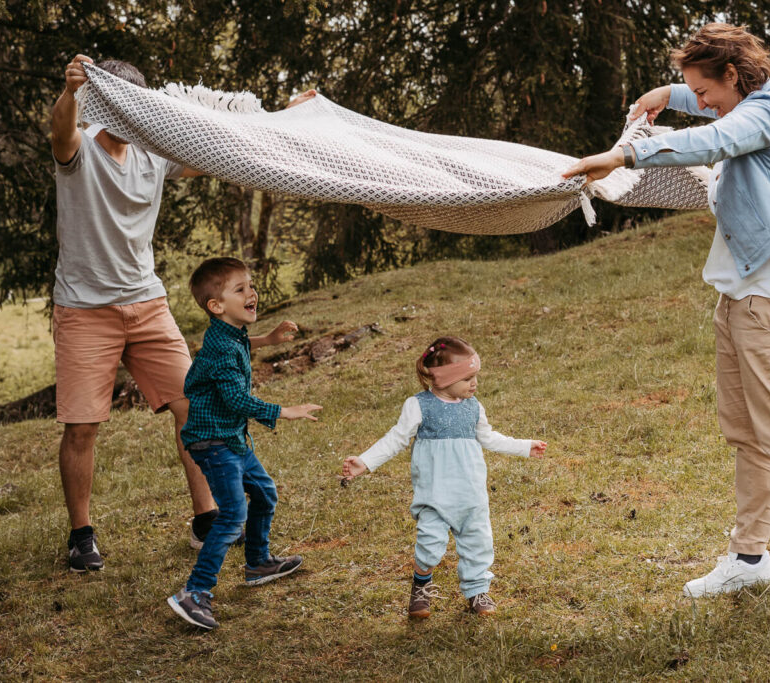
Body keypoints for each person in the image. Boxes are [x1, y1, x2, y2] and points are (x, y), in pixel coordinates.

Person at [563, 23, 770, 610]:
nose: (698, 103)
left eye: (703, 92)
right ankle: (750, 558)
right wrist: (663, 95)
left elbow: (714, 140)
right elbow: (711, 111)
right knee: (749, 433)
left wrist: (624, 154)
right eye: (692, 94)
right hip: (743, 295)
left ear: (733, 75)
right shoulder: (742, 101)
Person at [51, 55, 315, 572]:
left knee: (195, 410)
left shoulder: (155, 152)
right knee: (82, 427)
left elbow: (222, 146)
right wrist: (69, 92)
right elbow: (61, 130)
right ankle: (81, 535)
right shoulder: (79, 148)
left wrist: (282, 116)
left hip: (148, 304)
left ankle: (207, 518)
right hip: (85, 310)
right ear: (101, 104)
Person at [342, 336, 547, 618]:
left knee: (478, 543)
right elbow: (397, 439)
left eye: (475, 377)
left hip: (471, 493)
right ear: (441, 379)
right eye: (467, 378)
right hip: (434, 494)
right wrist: (364, 462)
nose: (474, 384)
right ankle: (421, 587)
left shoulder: (473, 407)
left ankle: (477, 591)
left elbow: (489, 438)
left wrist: (524, 447)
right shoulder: (419, 406)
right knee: (429, 545)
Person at [167, 257, 322, 630]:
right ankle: (195, 592)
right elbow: (237, 401)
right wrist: (284, 411)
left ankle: (257, 562)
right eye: (241, 289)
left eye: (250, 286)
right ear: (216, 306)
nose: (251, 293)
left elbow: (239, 343)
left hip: (231, 438)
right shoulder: (220, 349)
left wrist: (267, 340)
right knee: (234, 513)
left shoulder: (227, 333)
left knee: (265, 493)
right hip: (212, 441)